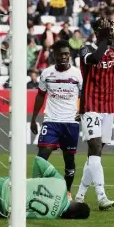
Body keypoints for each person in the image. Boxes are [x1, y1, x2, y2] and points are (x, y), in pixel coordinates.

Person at [75, 17, 114, 210]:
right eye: (106, 30)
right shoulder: (86, 48)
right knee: (95, 149)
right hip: (90, 105)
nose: (110, 32)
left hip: (108, 107)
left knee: (95, 155)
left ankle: (79, 195)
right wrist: (105, 39)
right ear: (97, 31)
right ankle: (102, 196)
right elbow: (94, 59)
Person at [30, 40, 82, 201]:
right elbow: (40, 95)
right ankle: (34, 191)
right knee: (41, 157)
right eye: (60, 54)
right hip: (51, 120)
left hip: (70, 122)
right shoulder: (46, 73)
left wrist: (83, 111)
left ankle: (67, 192)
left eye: (67, 54)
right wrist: (33, 118)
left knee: (69, 159)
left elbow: (84, 94)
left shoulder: (77, 74)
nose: (64, 57)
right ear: (54, 55)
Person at [0, 156, 90, 219]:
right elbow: (23, 215)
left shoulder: (61, 183)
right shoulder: (51, 216)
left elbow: (38, 160)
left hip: (3, 184)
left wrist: (35, 181)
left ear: (77, 202)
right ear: (72, 217)